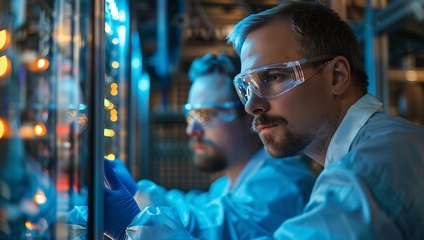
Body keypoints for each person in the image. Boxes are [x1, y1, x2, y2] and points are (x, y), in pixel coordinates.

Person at [225, 1, 424, 239]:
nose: (251, 105)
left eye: (273, 77)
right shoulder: (371, 148)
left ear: (337, 76)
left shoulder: (371, 165)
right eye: (246, 87)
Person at [103, 53, 318, 239]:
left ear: (248, 114)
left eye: (204, 114)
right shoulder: (226, 186)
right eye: (190, 116)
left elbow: (210, 229)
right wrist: (137, 193)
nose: (191, 130)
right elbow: (194, 212)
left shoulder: (281, 184)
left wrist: (133, 218)